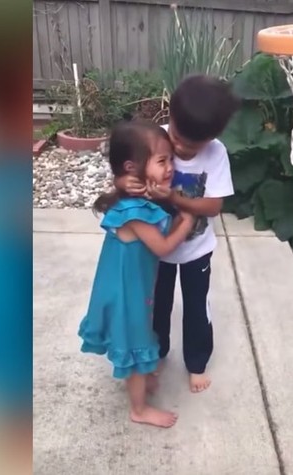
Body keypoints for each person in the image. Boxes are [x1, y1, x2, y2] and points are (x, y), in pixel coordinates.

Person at [114, 74, 240, 393]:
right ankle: (156, 353)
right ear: (170, 116)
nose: (180, 149)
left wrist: (173, 198)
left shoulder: (216, 154)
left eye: (191, 146)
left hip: (196, 249)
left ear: (213, 137)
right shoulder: (154, 141)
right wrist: (121, 184)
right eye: (179, 139)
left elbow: (213, 206)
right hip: (158, 250)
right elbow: (126, 174)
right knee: (157, 304)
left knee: (197, 306)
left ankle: (197, 363)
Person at [78, 121, 195, 428]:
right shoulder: (134, 212)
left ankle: (142, 378)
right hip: (124, 294)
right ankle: (139, 409)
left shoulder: (135, 199)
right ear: (133, 168)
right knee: (134, 342)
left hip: (130, 287)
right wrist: (186, 221)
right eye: (162, 160)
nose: (170, 167)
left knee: (140, 337)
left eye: (170, 159)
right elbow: (163, 247)